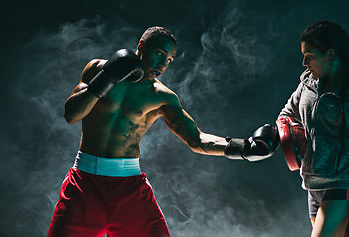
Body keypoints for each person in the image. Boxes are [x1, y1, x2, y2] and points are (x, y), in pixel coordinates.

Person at [47, 26, 278, 237]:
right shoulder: (97, 68)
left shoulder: (162, 97)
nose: (163, 63)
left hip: (129, 190)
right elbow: (71, 115)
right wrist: (106, 77)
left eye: (169, 59)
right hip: (84, 185)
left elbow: (197, 140)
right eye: (159, 53)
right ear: (141, 47)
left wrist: (244, 148)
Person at [277, 21, 349, 237]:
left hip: (341, 183)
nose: (304, 62)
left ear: (329, 54)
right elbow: (286, 115)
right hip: (312, 184)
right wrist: (285, 135)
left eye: (309, 56)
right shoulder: (308, 84)